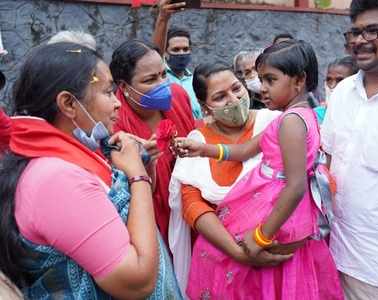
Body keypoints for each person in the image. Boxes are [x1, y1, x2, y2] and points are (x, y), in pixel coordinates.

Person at [0, 42, 181, 299]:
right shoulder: (56, 179)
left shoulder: (78, 153)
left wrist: (138, 165)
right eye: (108, 92)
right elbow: (137, 282)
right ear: (69, 104)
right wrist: (136, 175)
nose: (117, 103)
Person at [174, 40, 343, 299]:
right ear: (205, 105)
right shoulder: (291, 118)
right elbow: (244, 151)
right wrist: (202, 148)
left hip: (274, 205)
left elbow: (295, 187)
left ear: (298, 81)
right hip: (270, 201)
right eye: (260, 80)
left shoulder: (290, 122)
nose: (261, 89)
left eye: (270, 80)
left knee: (228, 258)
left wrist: (261, 237)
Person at [168, 63, 283, 294]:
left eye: (236, 89)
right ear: (204, 107)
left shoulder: (274, 123)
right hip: (223, 259)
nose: (233, 100)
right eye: (220, 97)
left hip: (278, 255)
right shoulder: (198, 141)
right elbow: (192, 205)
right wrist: (239, 253)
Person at [321, 0, 378, 298]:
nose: (359, 41)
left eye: (372, 31)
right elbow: (326, 167)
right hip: (335, 259)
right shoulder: (342, 92)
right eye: (354, 33)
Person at [109, 39, 195, 245]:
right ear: (124, 86)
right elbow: (127, 196)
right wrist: (148, 166)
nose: (162, 85)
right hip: (152, 224)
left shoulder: (178, 96)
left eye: (164, 74)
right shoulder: (114, 125)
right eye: (150, 80)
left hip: (193, 209)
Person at [152, 0, 203, 120]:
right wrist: (163, 19)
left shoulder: (195, 80)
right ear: (166, 52)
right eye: (176, 49)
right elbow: (156, 54)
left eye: (185, 49)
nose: (182, 53)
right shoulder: (160, 78)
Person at [314, 56, 358, 123]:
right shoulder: (315, 116)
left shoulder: (361, 115)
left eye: (339, 80)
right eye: (329, 80)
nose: (332, 86)